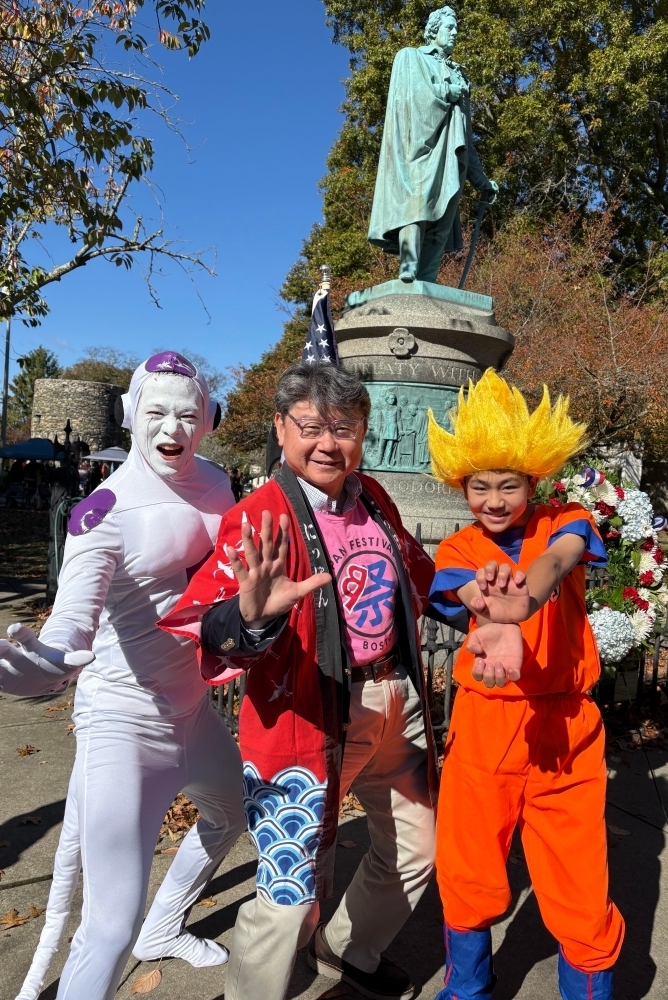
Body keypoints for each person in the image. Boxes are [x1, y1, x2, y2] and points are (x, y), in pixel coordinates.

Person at [161, 361, 460, 1000]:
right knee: (287, 891)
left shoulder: (372, 496)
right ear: (281, 428)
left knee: (417, 849)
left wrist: (489, 605)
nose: (328, 444)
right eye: (311, 427)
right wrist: (250, 617)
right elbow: (205, 623)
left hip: (396, 699)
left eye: (344, 428)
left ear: (363, 433)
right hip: (307, 715)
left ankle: (349, 949)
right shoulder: (259, 516)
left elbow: (420, 575)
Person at [0, 352, 246, 1000]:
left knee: (231, 814)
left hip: (194, 712)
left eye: (187, 414)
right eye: (158, 412)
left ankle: (165, 926)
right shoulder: (104, 510)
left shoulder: (220, 482)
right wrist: (45, 665)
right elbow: (72, 621)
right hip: (123, 724)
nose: (172, 428)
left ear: (208, 418)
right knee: (109, 927)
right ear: (129, 414)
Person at [426, 370, 625, 1000]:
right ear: (461, 487)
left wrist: (524, 604)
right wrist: (493, 615)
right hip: (485, 724)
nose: (494, 500)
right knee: (468, 864)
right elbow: (466, 593)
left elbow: (556, 560)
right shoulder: (457, 548)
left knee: (578, 875)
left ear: (532, 484)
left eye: (508, 485)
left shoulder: (568, 518)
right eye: (479, 486)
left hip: (566, 727)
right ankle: (467, 990)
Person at [368, 6, 498, 282]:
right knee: (416, 206)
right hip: (418, 151)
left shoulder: (460, 74)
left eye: (456, 28)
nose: (455, 33)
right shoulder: (411, 58)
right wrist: (446, 91)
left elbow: (465, 133)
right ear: (434, 30)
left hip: (453, 159)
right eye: (449, 27)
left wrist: (481, 180)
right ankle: (409, 266)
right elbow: (411, 101)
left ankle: (427, 279)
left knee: (442, 223)